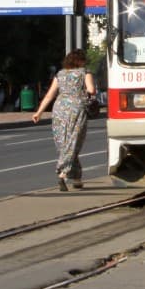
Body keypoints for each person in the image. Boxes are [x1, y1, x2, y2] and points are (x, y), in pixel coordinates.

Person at [32, 49, 97, 191]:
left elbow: (50, 95)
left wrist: (39, 112)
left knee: (64, 143)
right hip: (76, 109)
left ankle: (77, 178)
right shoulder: (85, 72)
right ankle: (62, 173)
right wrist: (81, 93)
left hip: (59, 109)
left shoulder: (59, 74)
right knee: (73, 142)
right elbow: (91, 90)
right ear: (80, 61)